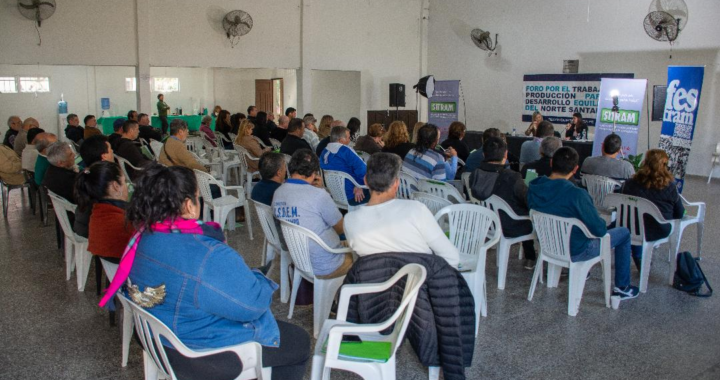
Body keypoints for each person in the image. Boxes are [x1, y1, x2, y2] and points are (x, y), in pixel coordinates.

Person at [99, 164, 310, 380]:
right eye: (198, 196)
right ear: (189, 205)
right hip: (196, 356)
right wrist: (259, 277)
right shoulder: (207, 253)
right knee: (298, 341)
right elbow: (253, 306)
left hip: (156, 341)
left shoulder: (142, 238)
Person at [528, 147, 639, 300]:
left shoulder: (534, 186)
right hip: (576, 249)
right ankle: (622, 287)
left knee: (611, 228)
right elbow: (599, 231)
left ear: (552, 162)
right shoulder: (577, 194)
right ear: (575, 169)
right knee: (624, 233)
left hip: (547, 243)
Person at [344, 153, 460, 267]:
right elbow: (452, 257)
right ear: (396, 183)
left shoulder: (349, 221)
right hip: (419, 283)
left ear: (365, 181)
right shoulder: (416, 210)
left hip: (374, 283)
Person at [273, 150, 353, 278]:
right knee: (357, 256)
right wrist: (322, 191)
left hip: (299, 259)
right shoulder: (318, 196)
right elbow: (340, 228)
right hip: (326, 264)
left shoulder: (278, 193)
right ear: (314, 173)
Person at [469, 137, 537, 269]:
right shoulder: (512, 176)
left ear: (483, 154)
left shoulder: (475, 174)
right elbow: (527, 199)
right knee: (527, 213)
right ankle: (531, 257)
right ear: (505, 154)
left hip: (486, 223)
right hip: (510, 225)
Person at [620, 149, 684, 269]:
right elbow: (679, 213)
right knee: (642, 226)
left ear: (645, 162)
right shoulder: (670, 187)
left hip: (630, 226)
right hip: (658, 228)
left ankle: (637, 255)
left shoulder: (630, 183)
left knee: (636, 224)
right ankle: (640, 257)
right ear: (665, 165)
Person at [75, 161, 133, 262]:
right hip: (135, 272)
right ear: (116, 186)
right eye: (124, 182)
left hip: (117, 272)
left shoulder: (96, 214)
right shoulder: (123, 223)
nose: (126, 187)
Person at [320, 126, 369, 206]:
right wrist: (360, 186)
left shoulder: (324, 152)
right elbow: (363, 169)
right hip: (353, 196)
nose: (350, 140)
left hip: (335, 195)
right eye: (349, 137)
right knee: (384, 191)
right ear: (341, 140)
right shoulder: (345, 150)